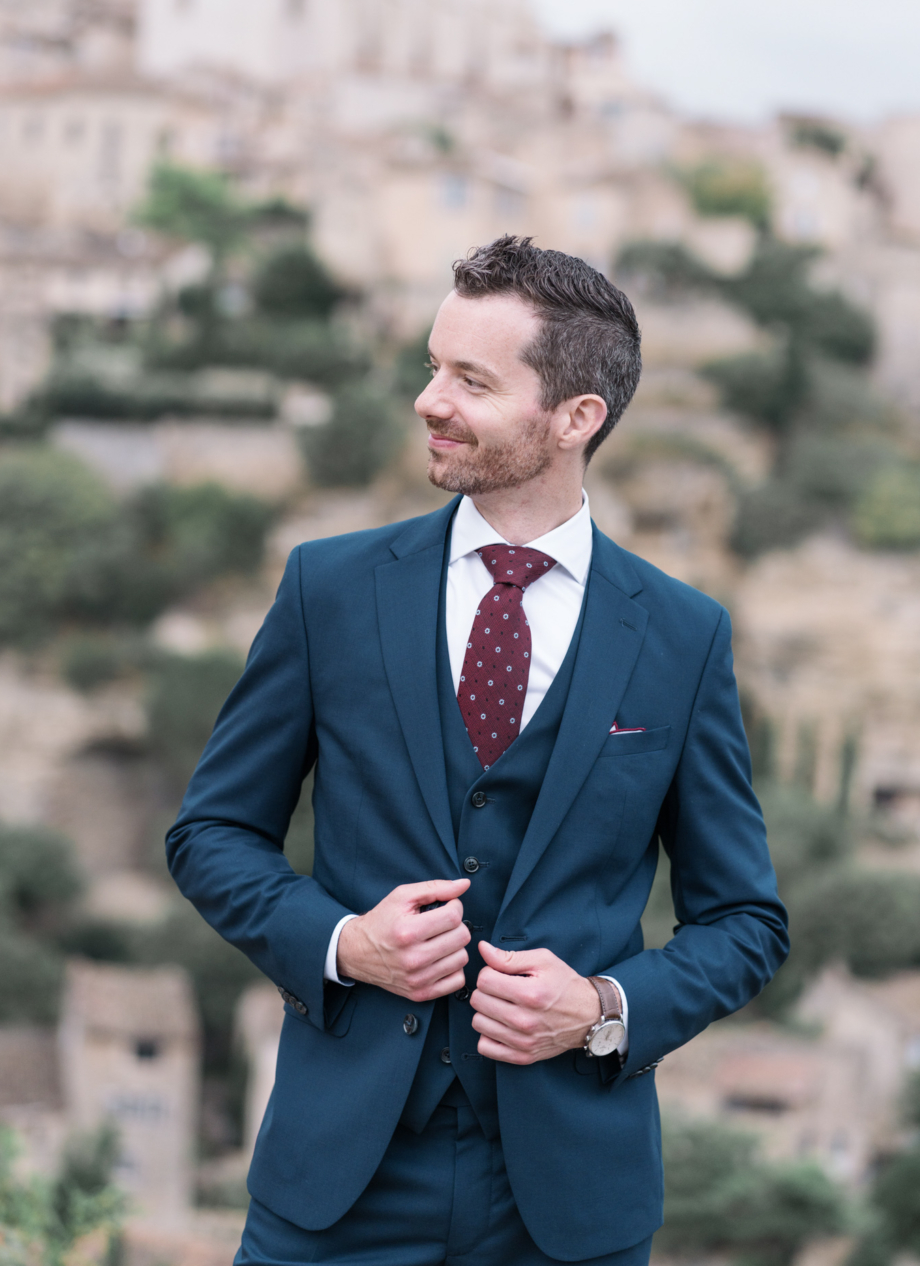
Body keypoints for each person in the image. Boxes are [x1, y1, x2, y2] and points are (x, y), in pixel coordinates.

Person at [167, 235, 788, 1266]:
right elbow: (212, 835)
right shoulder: (330, 589)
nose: (427, 399)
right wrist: (340, 944)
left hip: (569, 1203)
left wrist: (600, 1009)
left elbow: (745, 921)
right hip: (339, 1185)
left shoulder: (682, 636)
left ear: (574, 418)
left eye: (470, 379)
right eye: (430, 364)